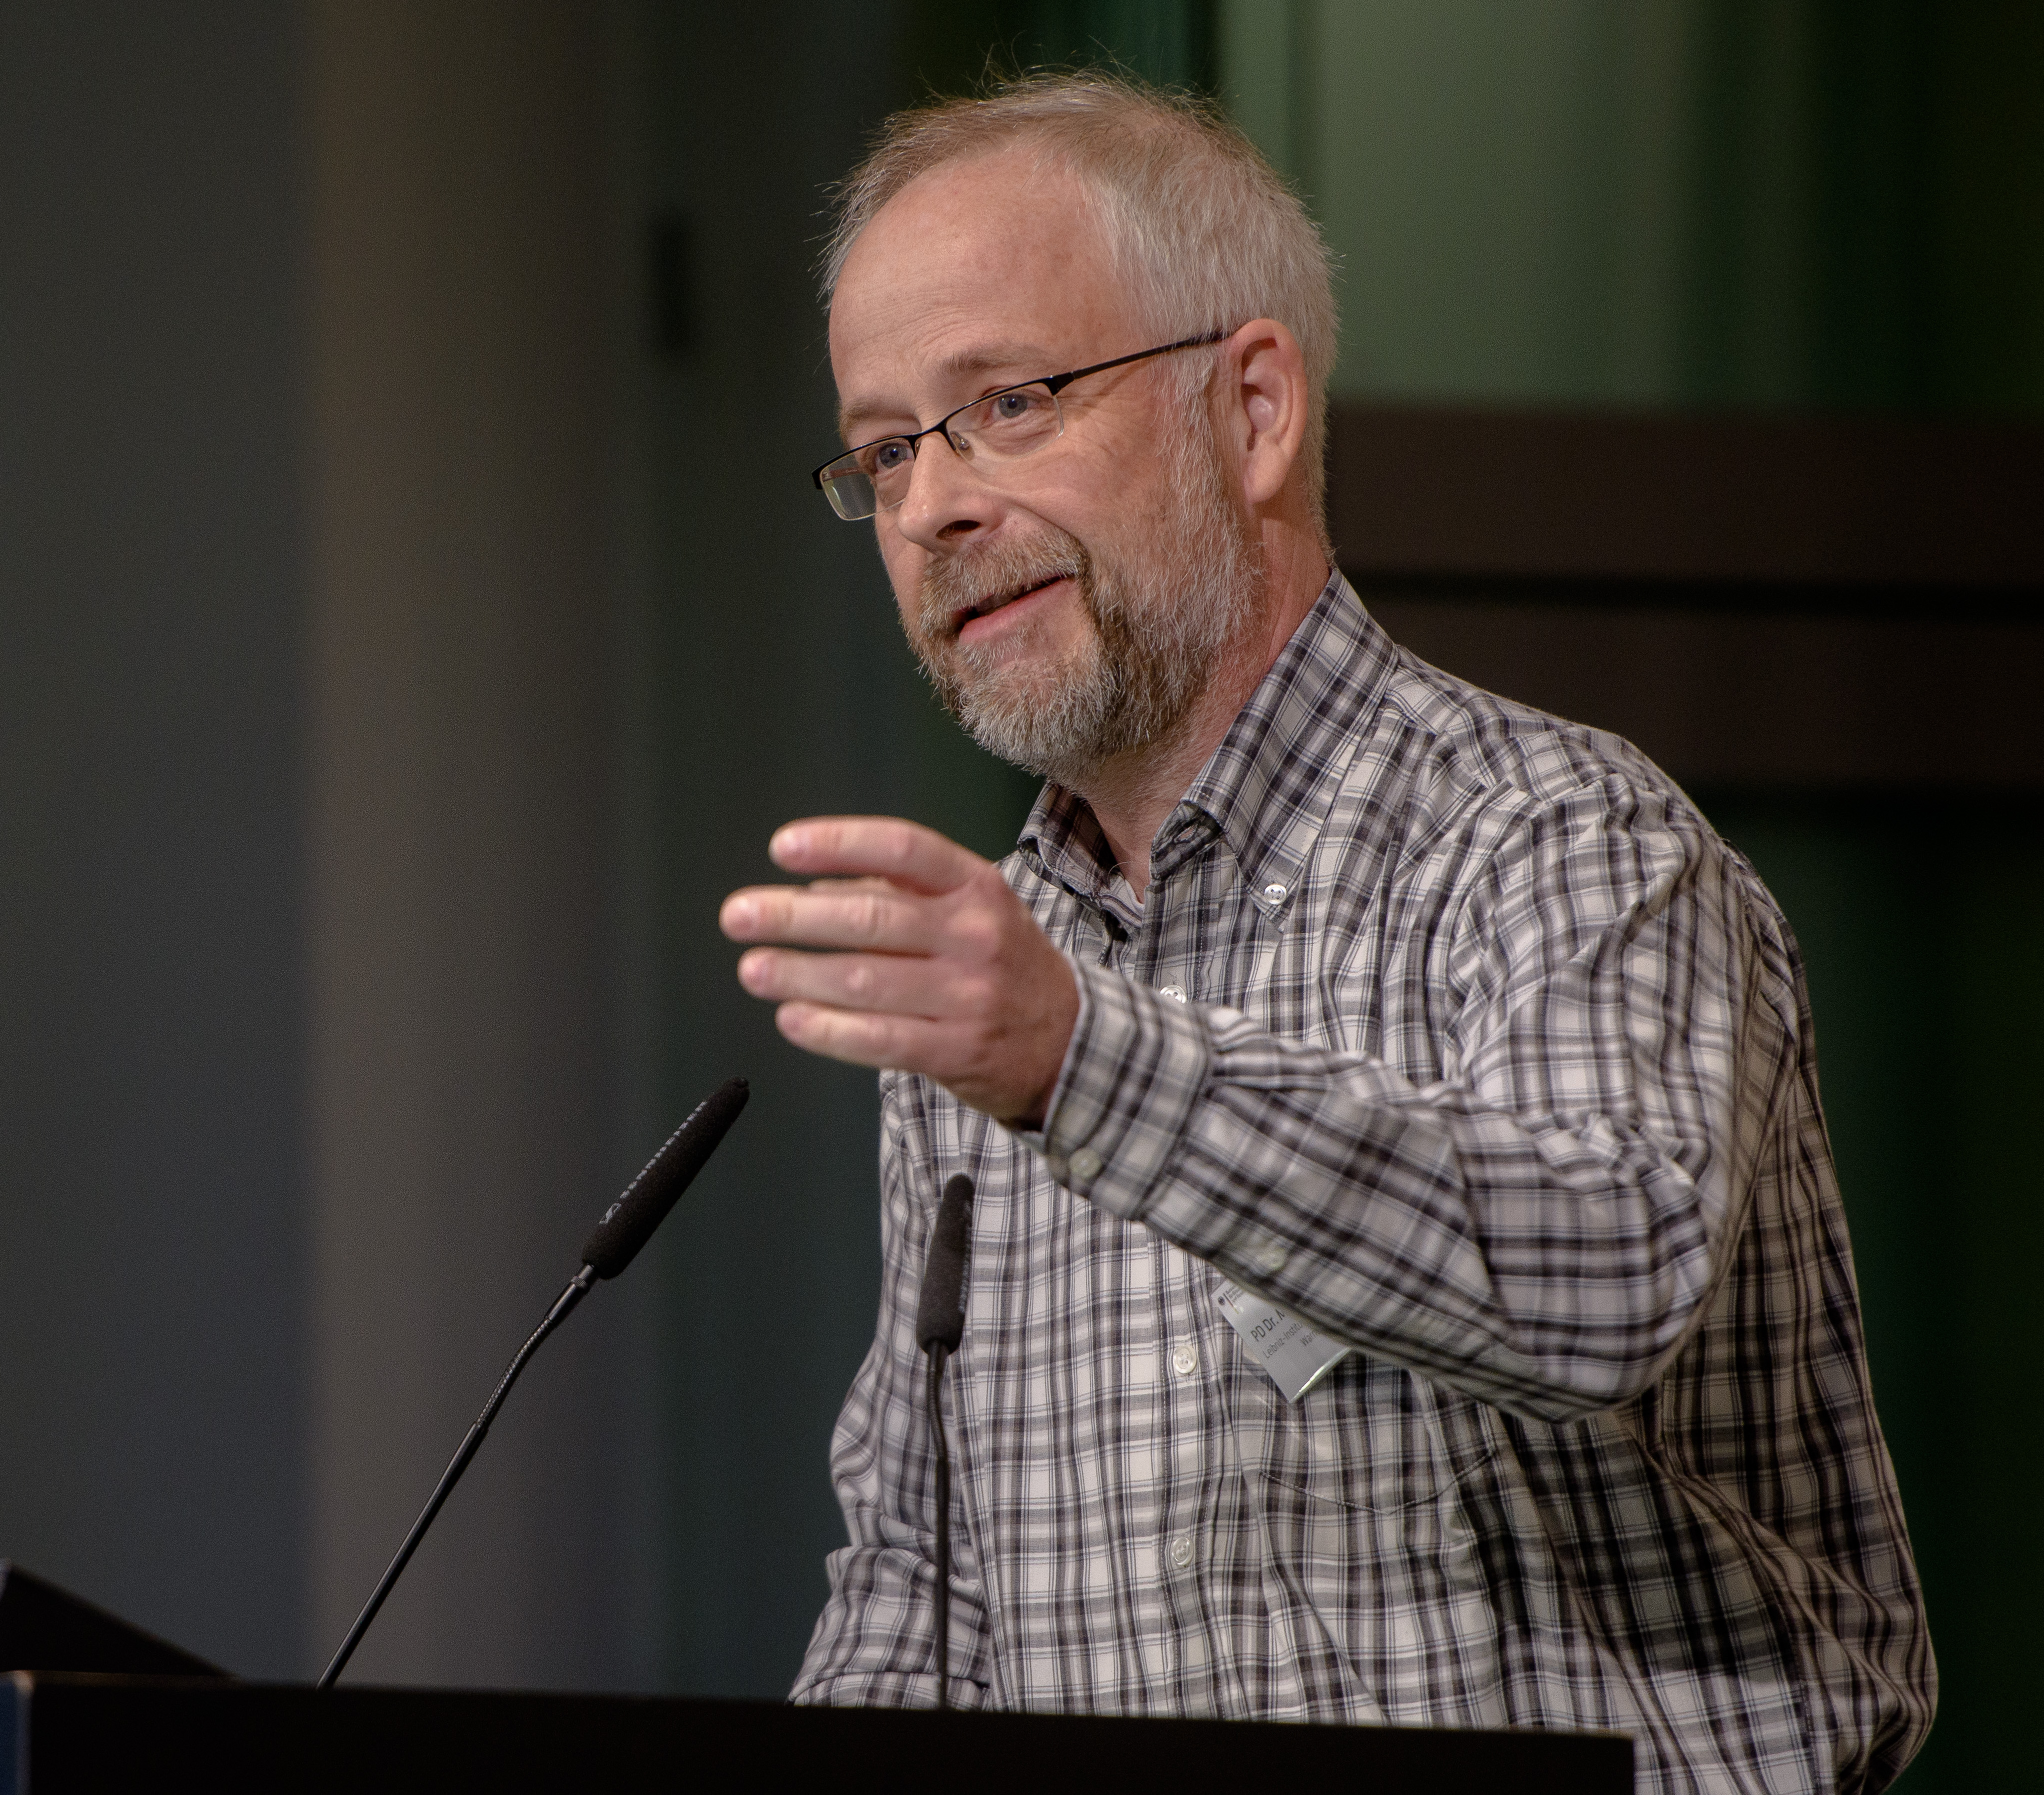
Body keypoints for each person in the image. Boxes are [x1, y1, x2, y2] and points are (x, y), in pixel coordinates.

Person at [717, 72, 1932, 1793]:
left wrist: (1081, 1061)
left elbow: (1610, 1275)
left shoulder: (1558, 836)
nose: (931, 509)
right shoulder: (1004, 967)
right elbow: (926, 1591)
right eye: (889, 449)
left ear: (1257, 409)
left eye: (1006, 402)